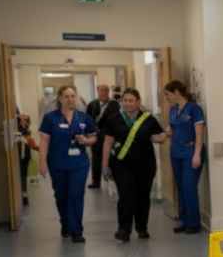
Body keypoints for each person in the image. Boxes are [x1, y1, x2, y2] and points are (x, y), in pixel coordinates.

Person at [100, 88, 165, 242]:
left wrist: (161, 137)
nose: (127, 104)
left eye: (131, 101)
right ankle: (123, 229)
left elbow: (159, 136)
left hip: (145, 164)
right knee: (126, 196)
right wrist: (104, 165)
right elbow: (108, 143)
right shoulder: (114, 118)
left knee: (143, 196)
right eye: (125, 100)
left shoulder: (148, 119)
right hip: (122, 164)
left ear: (138, 102)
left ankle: (142, 227)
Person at [38, 85, 98, 243]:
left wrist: (86, 140)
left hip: (79, 163)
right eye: (66, 96)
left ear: (76, 97)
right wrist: (42, 162)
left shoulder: (84, 118)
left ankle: (76, 230)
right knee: (61, 196)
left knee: (76, 195)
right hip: (57, 163)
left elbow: (94, 138)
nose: (70, 99)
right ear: (60, 99)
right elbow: (44, 141)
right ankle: (65, 223)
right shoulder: (51, 118)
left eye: (73, 96)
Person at [163, 80, 205, 234]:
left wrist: (197, 153)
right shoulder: (173, 110)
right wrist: (166, 132)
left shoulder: (194, 109)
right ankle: (184, 221)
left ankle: (194, 222)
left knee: (189, 187)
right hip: (176, 152)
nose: (167, 98)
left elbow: (199, 131)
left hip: (191, 152)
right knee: (180, 188)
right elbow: (173, 128)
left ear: (177, 92)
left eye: (168, 94)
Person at [86, 83, 121, 189]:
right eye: (102, 90)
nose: (104, 93)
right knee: (96, 158)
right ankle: (96, 181)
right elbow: (87, 119)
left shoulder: (114, 104)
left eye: (106, 90)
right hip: (96, 136)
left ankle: (113, 179)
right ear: (98, 91)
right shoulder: (92, 104)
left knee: (112, 157)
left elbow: (118, 119)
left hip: (110, 136)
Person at [15, 111, 39, 206]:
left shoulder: (25, 129)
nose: (26, 120)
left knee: (23, 174)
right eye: (25, 119)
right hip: (21, 155)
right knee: (22, 175)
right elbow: (32, 144)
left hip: (25, 155)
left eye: (27, 119)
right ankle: (23, 194)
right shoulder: (19, 129)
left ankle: (24, 193)